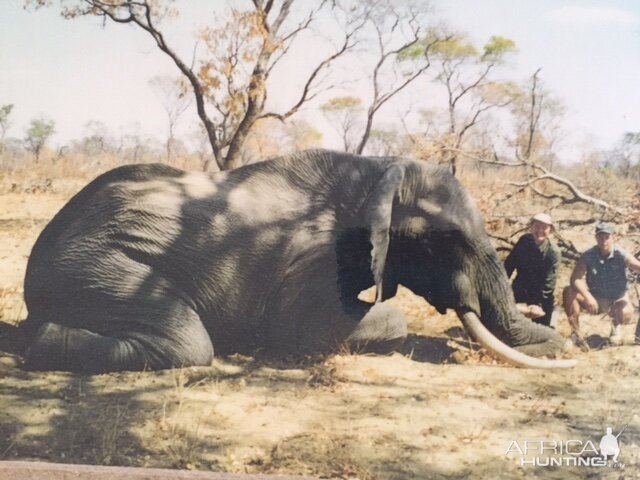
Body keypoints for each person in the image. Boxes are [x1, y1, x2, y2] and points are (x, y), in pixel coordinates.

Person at [563, 222, 640, 347]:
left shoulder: (621, 254)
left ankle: (616, 328)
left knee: (624, 310)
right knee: (569, 291)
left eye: (607, 237)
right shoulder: (588, 255)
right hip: (596, 298)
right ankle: (575, 334)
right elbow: (575, 279)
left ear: (613, 237)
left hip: (618, 298)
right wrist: (587, 296)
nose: (604, 240)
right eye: (600, 237)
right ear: (596, 237)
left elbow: (636, 266)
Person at [504, 213, 561, 327]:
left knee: (544, 330)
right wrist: (500, 288)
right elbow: (508, 266)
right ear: (531, 227)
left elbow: (549, 284)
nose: (540, 230)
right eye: (537, 226)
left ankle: (553, 316)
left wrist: (537, 304)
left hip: (540, 295)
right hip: (520, 289)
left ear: (550, 230)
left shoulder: (553, 252)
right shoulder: (524, 241)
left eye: (544, 227)